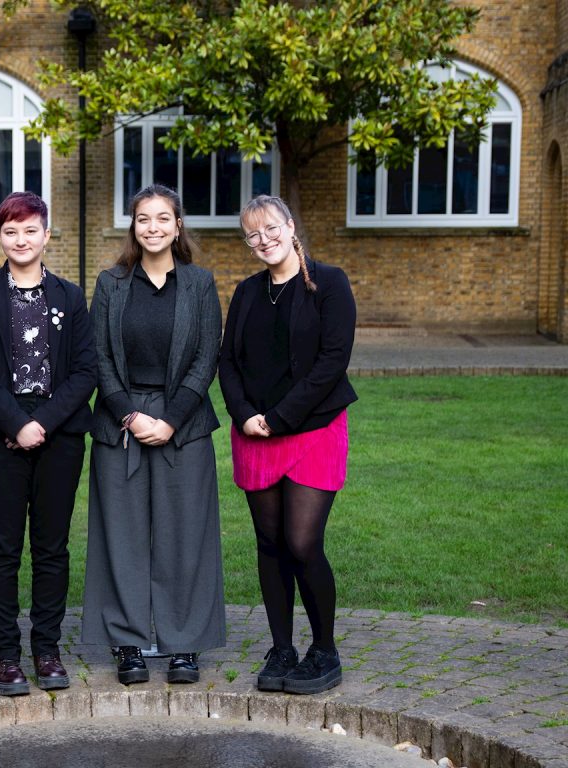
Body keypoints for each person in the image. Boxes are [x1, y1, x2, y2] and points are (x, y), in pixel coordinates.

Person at [83, 184, 226, 685]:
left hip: (183, 425)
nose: (153, 228)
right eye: (144, 219)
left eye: (163, 218)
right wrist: (129, 414)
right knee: (120, 537)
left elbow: (207, 356)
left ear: (178, 225)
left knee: (184, 534)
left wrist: (171, 418)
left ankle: (183, 644)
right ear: (133, 226)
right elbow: (97, 356)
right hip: (121, 424)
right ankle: (127, 645)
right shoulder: (111, 283)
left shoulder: (200, 284)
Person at [218, 194, 357, 695]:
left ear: (290, 226)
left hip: (313, 430)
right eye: (252, 234)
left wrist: (278, 418)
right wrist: (244, 415)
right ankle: (281, 648)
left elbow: (332, 362)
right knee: (270, 544)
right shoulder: (247, 292)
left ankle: (324, 650)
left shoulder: (330, 284)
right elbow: (227, 362)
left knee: (302, 543)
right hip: (255, 434)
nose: (263, 240)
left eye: (270, 228)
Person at [0, 192, 97, 695]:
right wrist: (17, 423)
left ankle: (46, 649)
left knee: (52, 547)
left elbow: (87, 371)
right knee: (2, 548)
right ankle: (4, 656)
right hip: (0, 435)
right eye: (10, 231)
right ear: (0, 236)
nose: (21, 240)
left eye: (30, 230)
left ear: (46, 234)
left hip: (59, 438)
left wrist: (43, 423)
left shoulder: (69, 296)